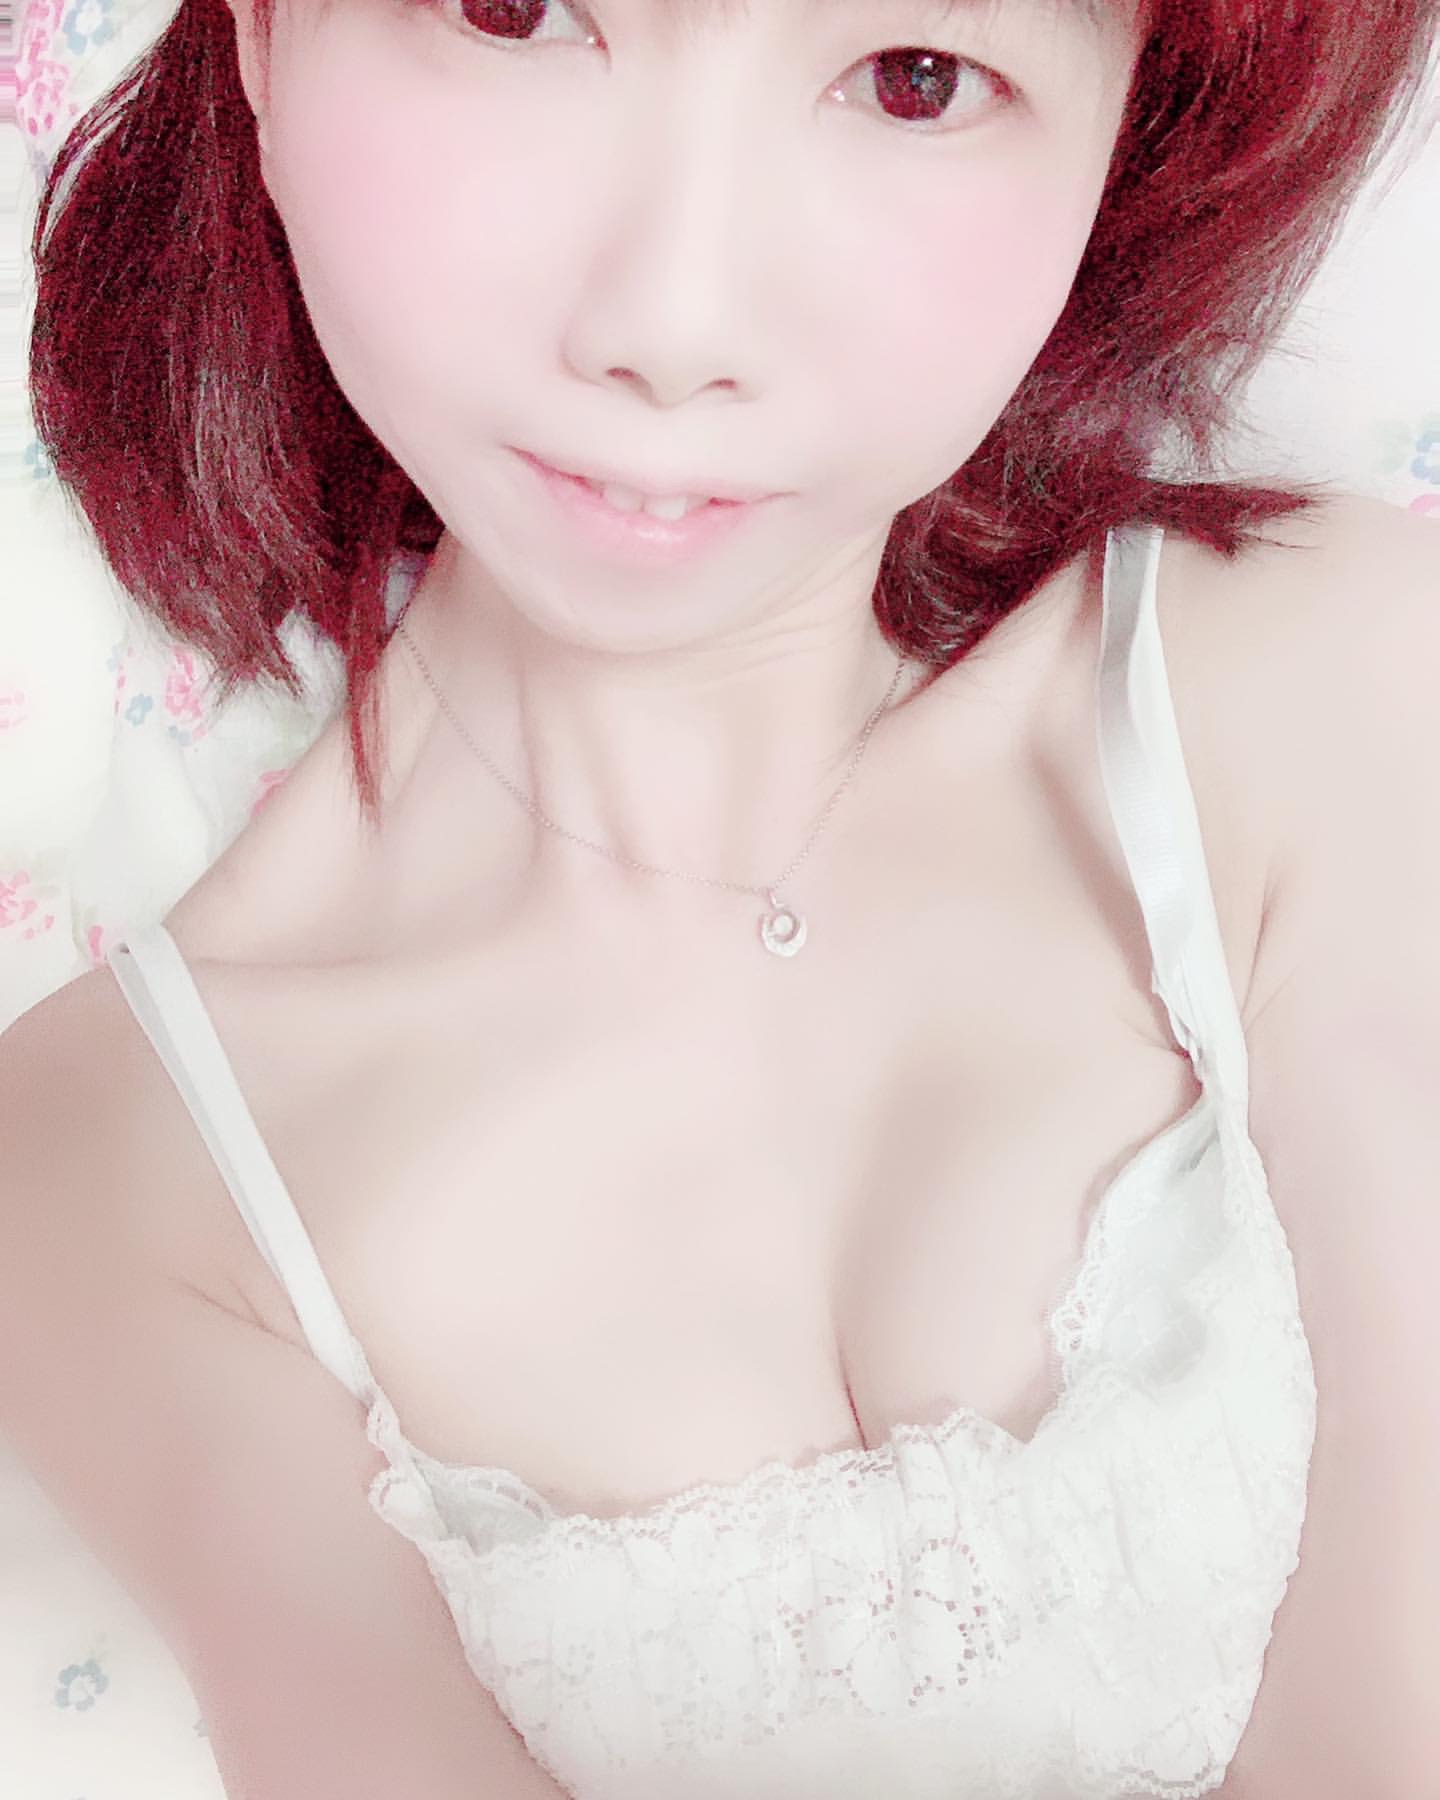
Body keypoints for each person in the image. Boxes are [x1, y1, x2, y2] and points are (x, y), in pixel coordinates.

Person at [4, 0, 1439, 1793]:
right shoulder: (115, 1164)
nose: (671, 326)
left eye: (914, 80)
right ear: (265, 38)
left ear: (1125, 123)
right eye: (515, 10)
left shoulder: (1328, 683)